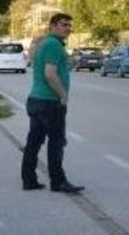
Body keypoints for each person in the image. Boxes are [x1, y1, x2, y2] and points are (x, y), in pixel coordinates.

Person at [21, 13, 84, 194]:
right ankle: (58, 182)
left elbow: (33, 62)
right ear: (53, 25)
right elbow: (50, 73)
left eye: (69, 25)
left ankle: (29, 180)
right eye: (64, 24)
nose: (68, 28)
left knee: (34, 142)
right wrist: (63, 95)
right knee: (56, 142)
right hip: (49, 102)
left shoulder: (44, 43)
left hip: (36, 100)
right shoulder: (53, 45)